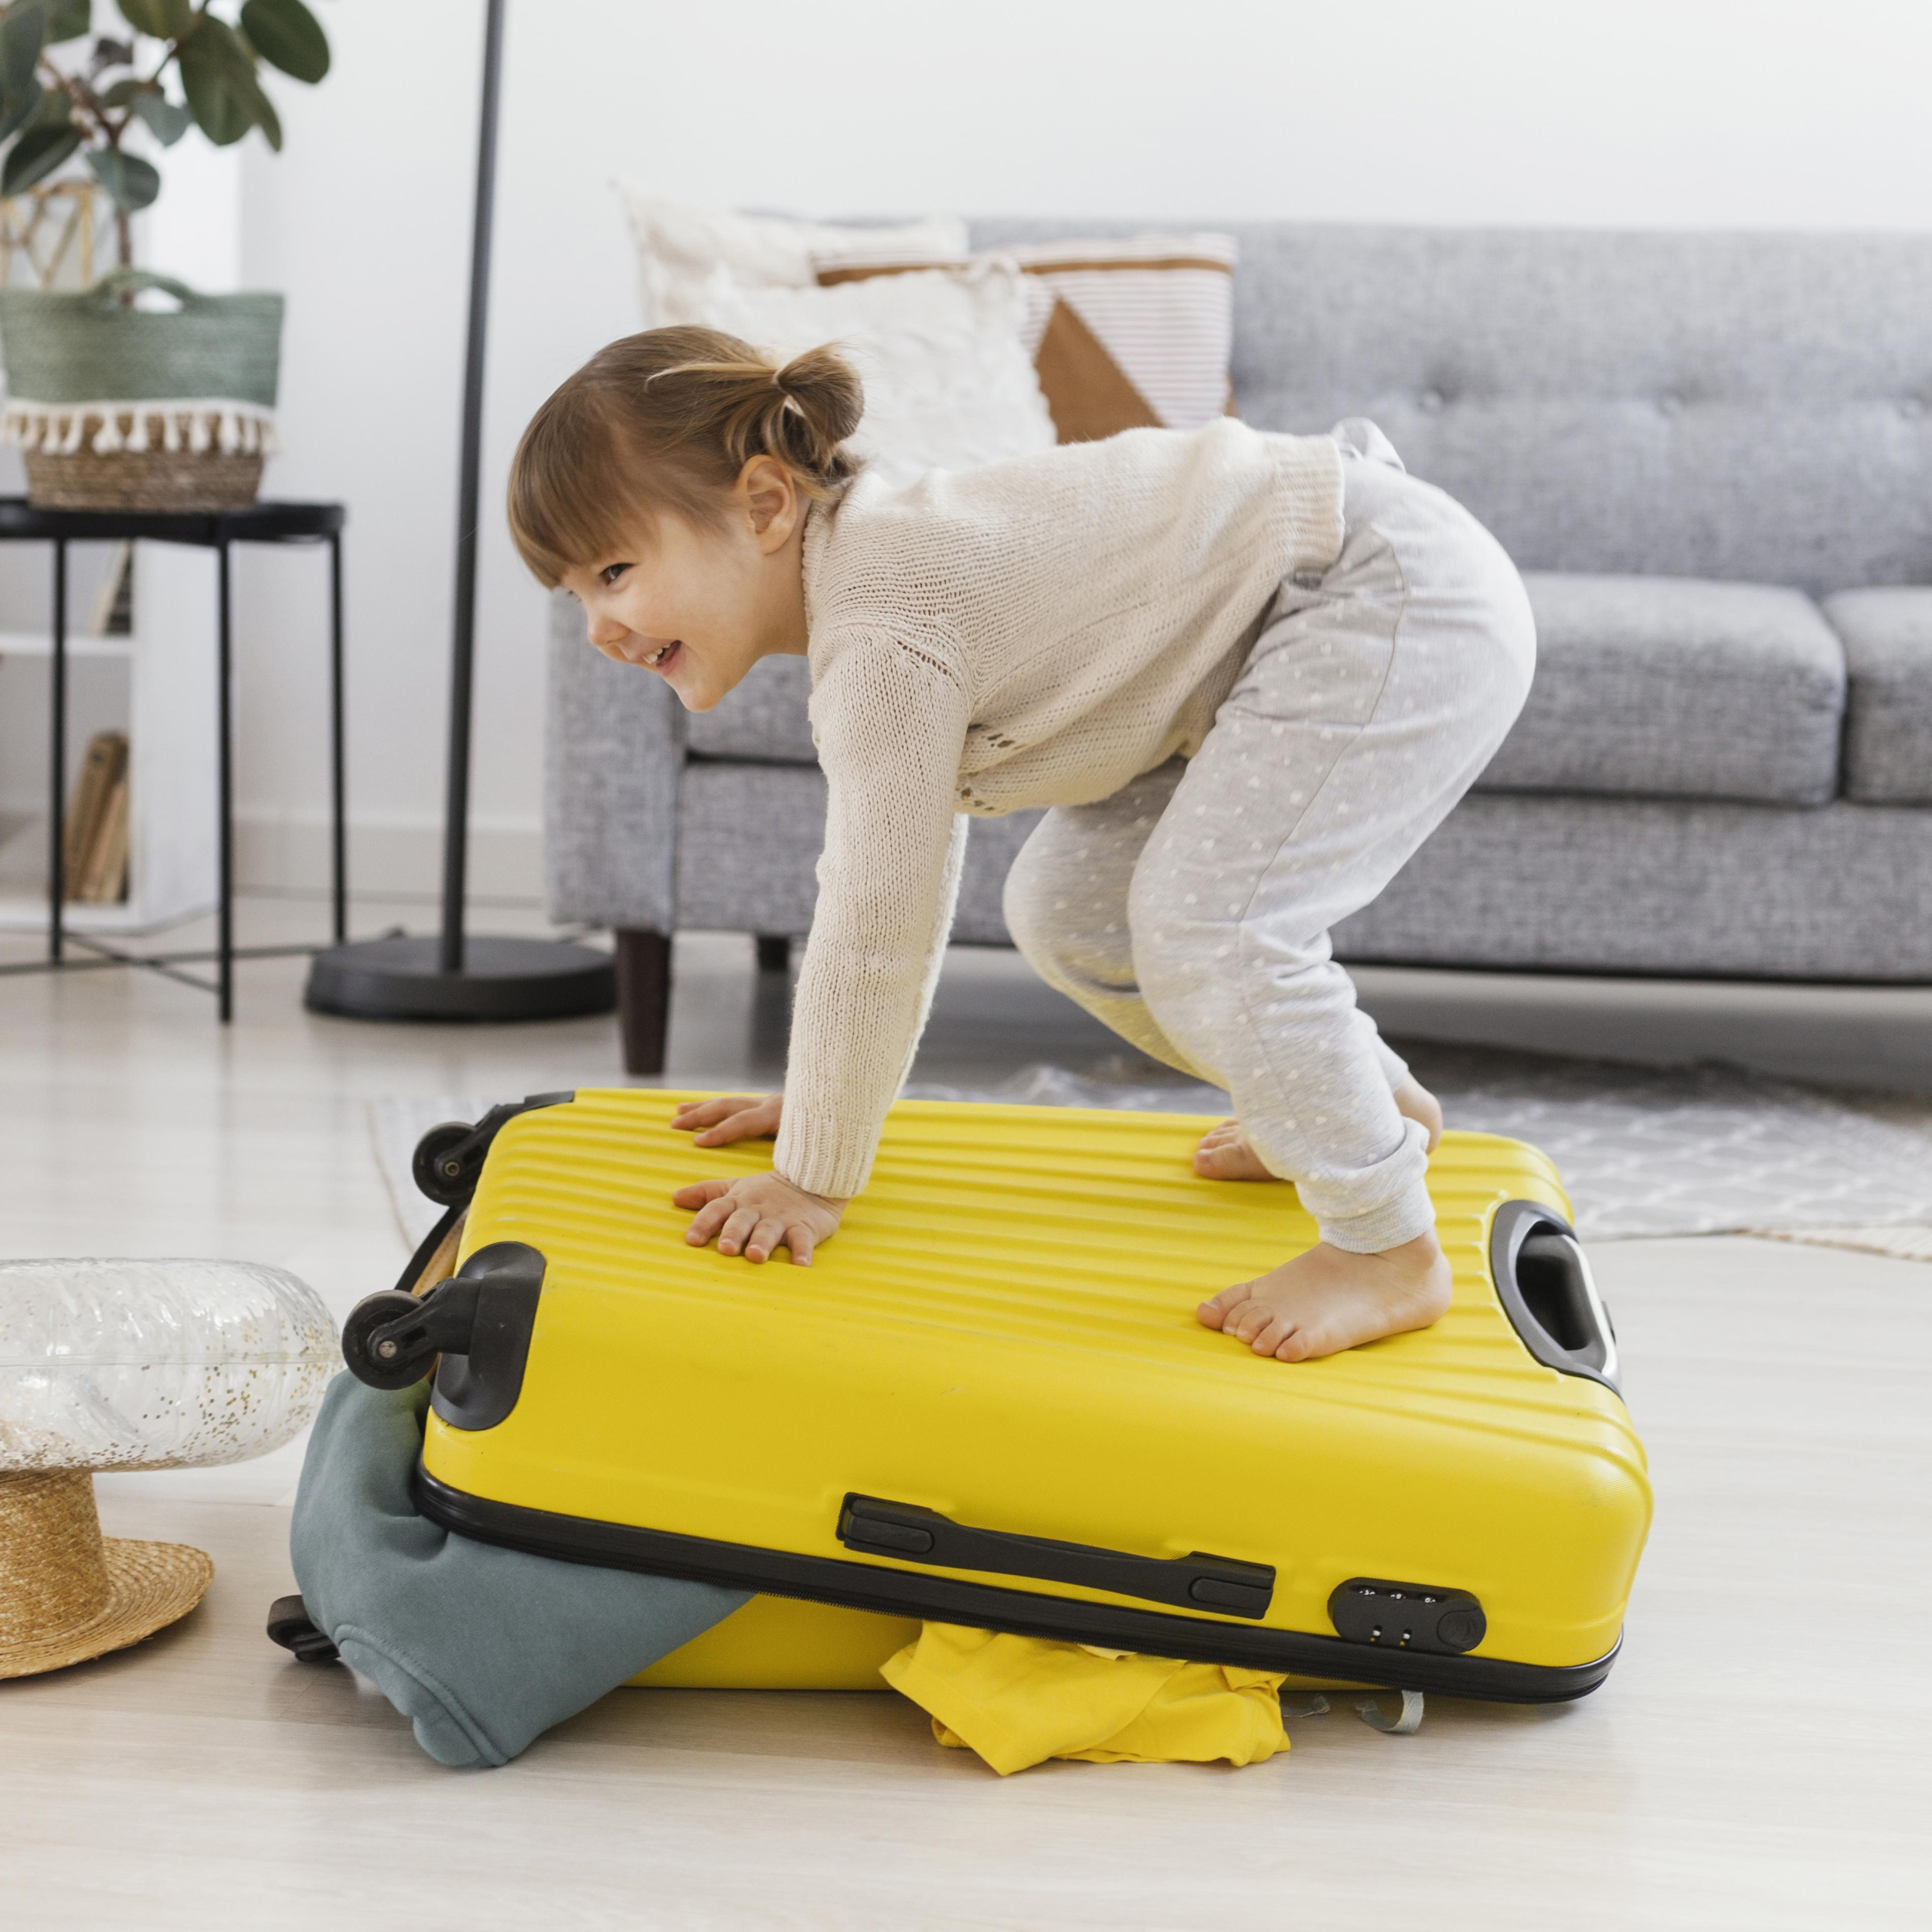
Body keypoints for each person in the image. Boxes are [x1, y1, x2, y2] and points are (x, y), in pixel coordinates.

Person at [508, 328, 1536, 1362]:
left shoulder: (879, 631)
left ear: (767, 506)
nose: (600, 623)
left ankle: (1384, 1246)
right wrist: (826, 1099)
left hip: (1378, 586)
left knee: (1210, 929)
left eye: (617, 569)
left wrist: (812, 1176)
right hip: (1269, 633)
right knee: (1069, 919)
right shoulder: (867, 584)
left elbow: (876, 928)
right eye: (578, 593)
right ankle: (1353, 1103)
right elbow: (899, 893)